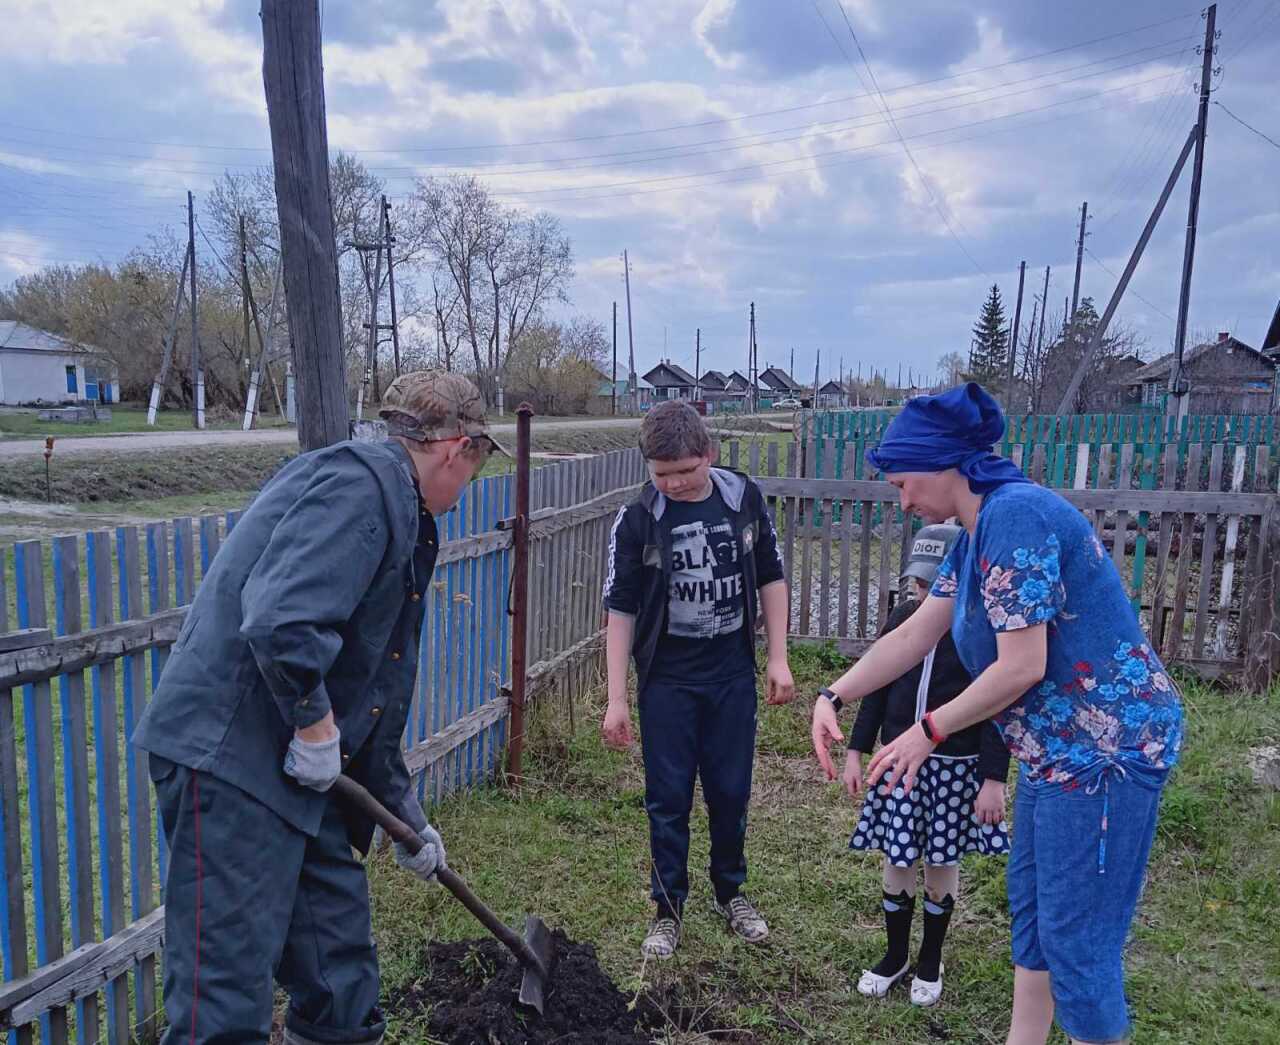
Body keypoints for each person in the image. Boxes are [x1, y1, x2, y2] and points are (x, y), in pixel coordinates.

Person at [133, 371, 504, 1045]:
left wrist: (406, 819)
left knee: (340, 975)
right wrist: (313, 722)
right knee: (222, 1004)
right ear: (457, 448)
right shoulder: (360, 490)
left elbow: (371, 692)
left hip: (295, 776)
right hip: (229, 763)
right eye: (474, 470)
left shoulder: (398, 509)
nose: (466, 487)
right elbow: (280, 621)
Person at [810, 383, 1182, 1045]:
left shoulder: (1016, 517)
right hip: (1051, 753)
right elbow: (913, 636)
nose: (904, 501)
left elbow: (1022, 665)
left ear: (939, 463)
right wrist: (831, 696)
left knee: (1078, 943)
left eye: (903, 484)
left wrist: (929, 730)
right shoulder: (973, 536)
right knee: (1035, 918)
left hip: (1104, 755)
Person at [600, 401, 795, 959]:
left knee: (730, 791)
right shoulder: (638, 517)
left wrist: (777, 657)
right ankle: (668, 908)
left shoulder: (742, 499)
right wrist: (618, 699)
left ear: (708, 454)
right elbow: (620, 608)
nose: (677, 483)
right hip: (667, 683)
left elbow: (771, 577)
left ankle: (731, 892)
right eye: (663, 474)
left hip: (731, 677)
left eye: (686, 470)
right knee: (668, 798)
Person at [841, 523, 1010, 1007]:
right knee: (897, 858)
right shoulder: (901, 618)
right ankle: (895, 955)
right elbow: (876, 686)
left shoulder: (981, 634)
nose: (921, 594)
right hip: (898, 765)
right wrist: (856, 749)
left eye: (933, 586)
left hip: (956, 768)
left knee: (941, 861)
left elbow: (997, 706)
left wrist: (993, 779)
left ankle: (930, 959)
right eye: (917, 583)